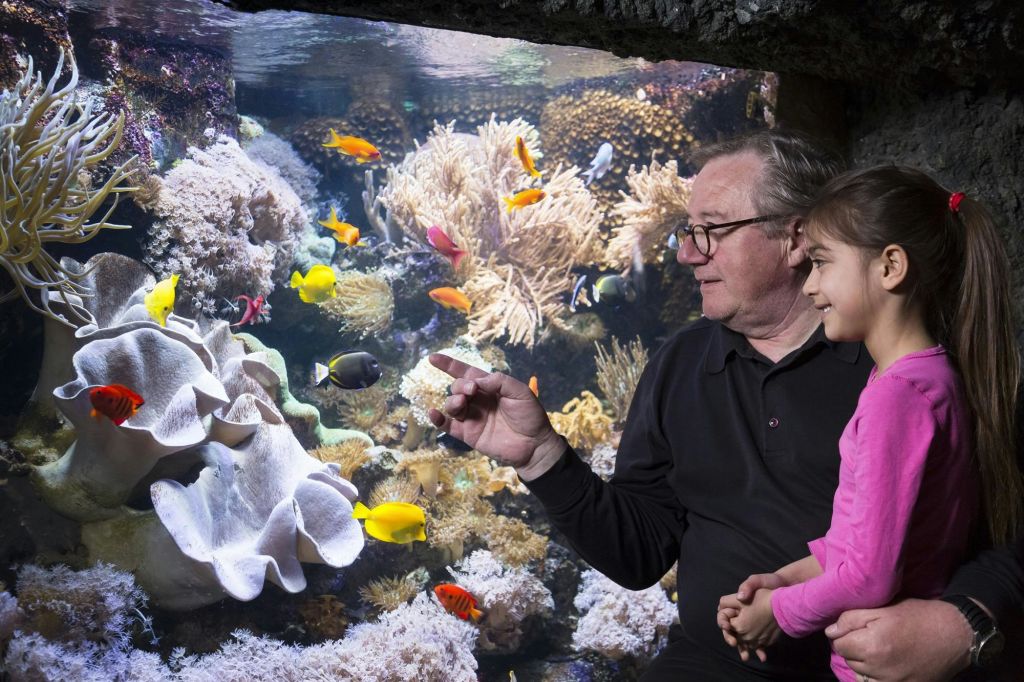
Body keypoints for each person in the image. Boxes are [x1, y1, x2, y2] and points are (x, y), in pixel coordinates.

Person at [427, 129, 1024, 680]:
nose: (688, 253)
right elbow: (639, 553)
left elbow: (1010, 528)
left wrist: (962, 623)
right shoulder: (680, 363)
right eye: (687, 232)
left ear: (794, 238)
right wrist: (542, 457)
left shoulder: (911, 369)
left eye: (711, 229)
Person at [713, 166, 1024, 682]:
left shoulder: (897, 398)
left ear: (890, 267)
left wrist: (777, 613)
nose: (810, 285)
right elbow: (857, 540)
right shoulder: (928, 376)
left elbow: (867, 577)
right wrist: (781, 581)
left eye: (820, 263)